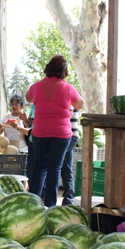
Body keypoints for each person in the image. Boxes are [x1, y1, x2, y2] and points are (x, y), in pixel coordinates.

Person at [26, 55, 84, 207]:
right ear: (64, 71)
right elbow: (80, 104)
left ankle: (33, 203)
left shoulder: (36, 86)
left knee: (40, 166)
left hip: (39, 132)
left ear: (48, 68)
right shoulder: (68, 88)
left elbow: (28, 98)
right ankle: (51, 206)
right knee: (55, 167)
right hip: (61, 134)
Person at [60, 108, 81, 205]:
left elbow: (69, 113)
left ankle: (68, 200)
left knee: (56, 167)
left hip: (70, 136)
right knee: (66, 169)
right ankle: (68, 200)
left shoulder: (70, 97)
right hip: (65, 137)